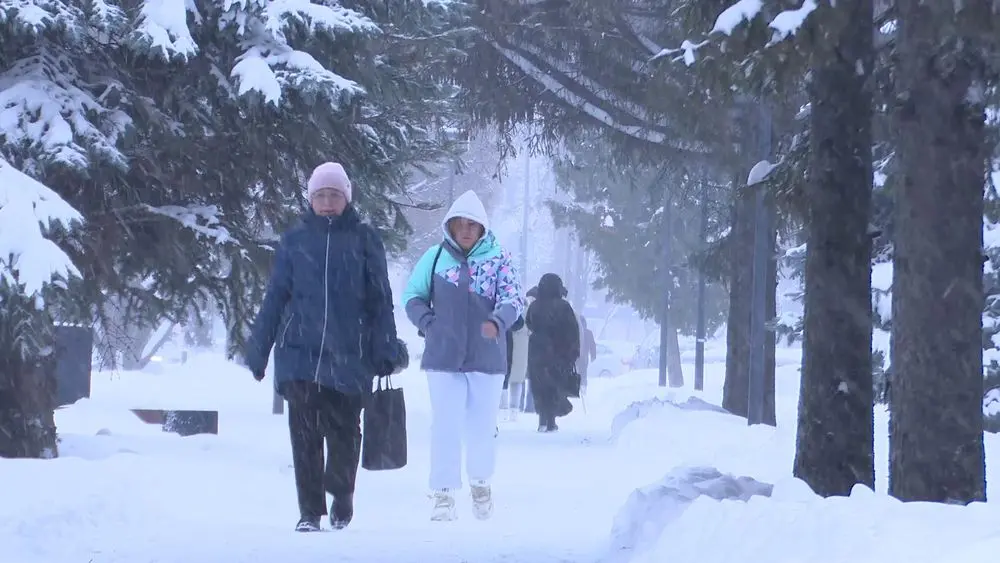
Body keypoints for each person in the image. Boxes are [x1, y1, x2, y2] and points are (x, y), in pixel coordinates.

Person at [245, 162, 405, 533]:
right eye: (321, 196)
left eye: (334, 195)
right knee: (303, 434)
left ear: (346, 198)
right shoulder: (295, 241)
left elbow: (380, 299)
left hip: (350, 355)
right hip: (299, 355)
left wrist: (384, 349)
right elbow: (275, 298)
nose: (328, 202)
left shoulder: (364, 239)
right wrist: (259, 350)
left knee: (345, 432)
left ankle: (342, 493)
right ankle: (309, 511)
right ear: (311, 200)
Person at [402, 189, 524, 522]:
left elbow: (515, 300)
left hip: (487, 360)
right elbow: (413, 296)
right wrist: (428, 323)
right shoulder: (435, 258)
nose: (467, 230)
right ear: (451, 227)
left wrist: (498, 322)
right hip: (443, 357)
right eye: (461, 224)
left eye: (473, 224)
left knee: (482, 426)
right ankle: (443, 494)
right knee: (445, 424)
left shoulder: (499, 259)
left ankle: (481, 484)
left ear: (483, 228)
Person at [525, 273, 580, 432]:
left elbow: (529, 323)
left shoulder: (535, 306)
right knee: (554, 384)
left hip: (536, 350)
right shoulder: (564, 307)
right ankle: (551, 420)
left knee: (539, 384)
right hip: (558, 350)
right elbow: (572, 330)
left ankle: (543, 419)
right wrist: (572, 351)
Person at [576, 315, 597, 396]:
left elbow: (592, 345)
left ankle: (581, 387)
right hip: (581, 357)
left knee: (581, 372)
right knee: (583, 373)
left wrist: (593, 355)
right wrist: (593, 355)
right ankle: (581, 387)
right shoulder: (587, 333)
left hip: (580, 357)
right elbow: (593, 345)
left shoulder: (586, 333)